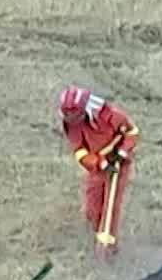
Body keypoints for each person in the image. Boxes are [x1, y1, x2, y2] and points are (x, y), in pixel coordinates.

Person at [58, 85, 139, 260]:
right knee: (92, 209)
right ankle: (97, 238)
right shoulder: (70, 125)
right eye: (68, 116)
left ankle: (108, 251)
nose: (72, 120)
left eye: (75, 116)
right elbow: (80, 152)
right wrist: (100, 164)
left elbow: (131, 132)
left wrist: (121, 153)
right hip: (97, 167)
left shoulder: (111, 116)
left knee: (110, 206)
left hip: (118, 164)